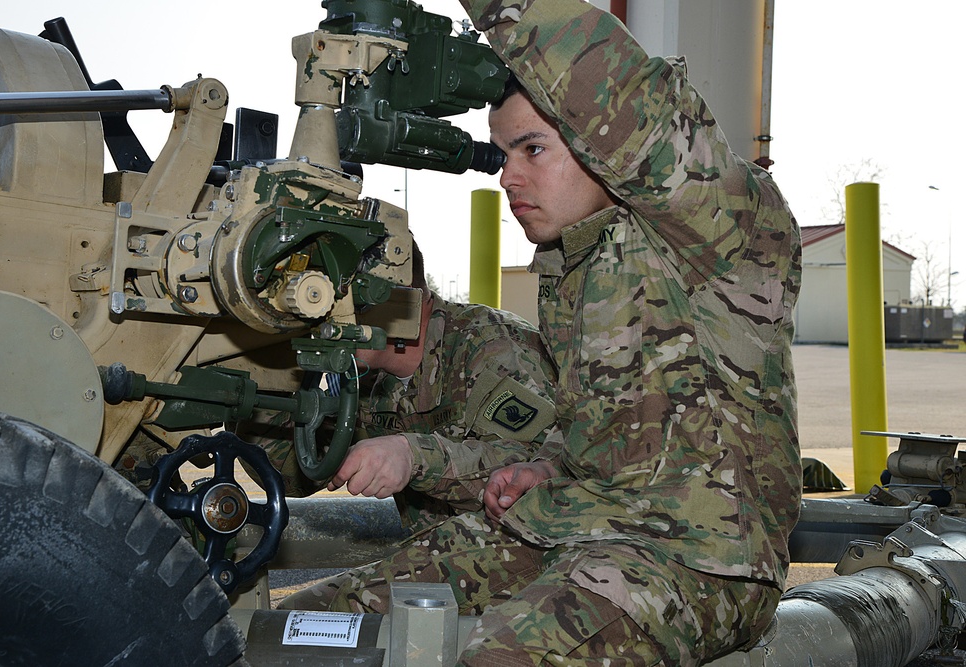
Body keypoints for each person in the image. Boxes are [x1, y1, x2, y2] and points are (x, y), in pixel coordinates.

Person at [289, 1, 803, 666]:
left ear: (601, 144)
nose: (509, 176)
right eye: (504, 154)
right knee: (321, 620)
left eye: (533, 149)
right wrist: (545, 466)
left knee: (496, 657)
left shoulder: (715, 226)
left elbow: (614, 90)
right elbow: (612, 429)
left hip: (699, 561)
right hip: (574, 526)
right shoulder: (578, 269)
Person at [246, 240, 558, 534]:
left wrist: (412, 456)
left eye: (338, 301)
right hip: (437, 559)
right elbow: (292, 475)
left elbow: (534, 468)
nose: (322, 320)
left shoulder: (493, 345)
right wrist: (262, 378)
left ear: (400, 298)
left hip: (524, 559)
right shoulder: (362, 376)